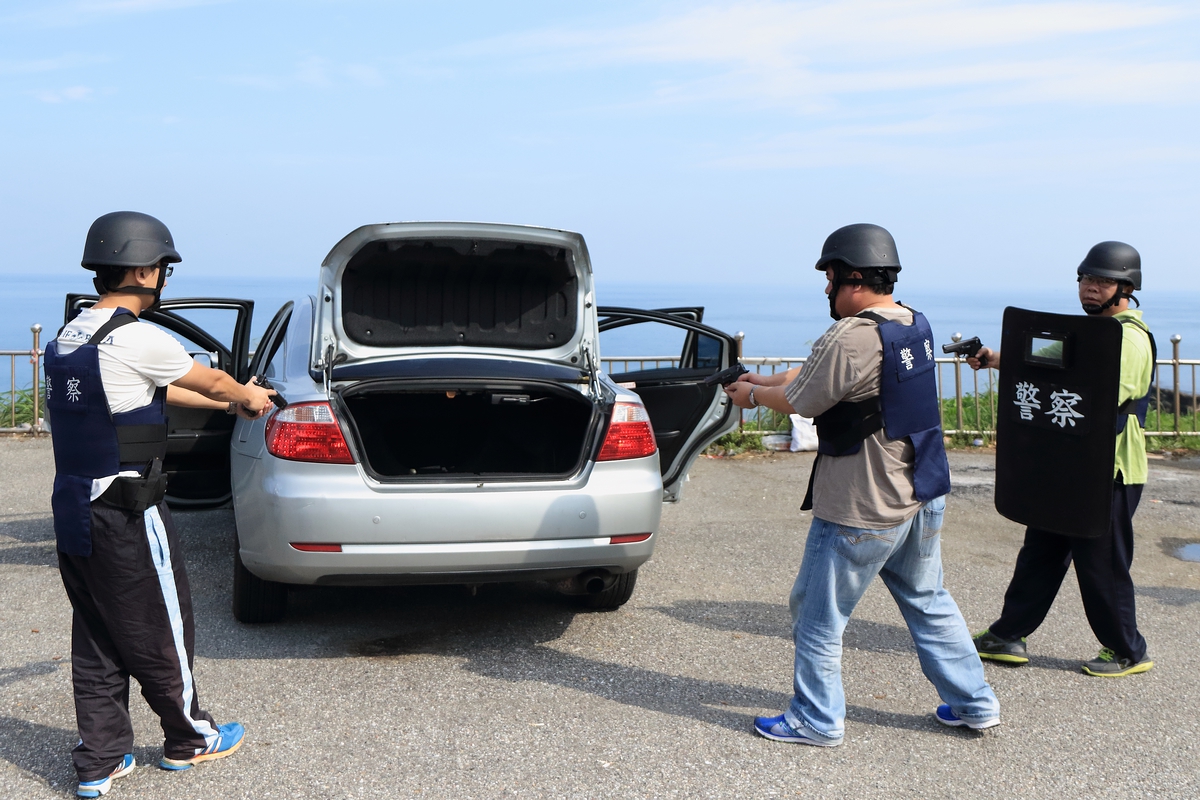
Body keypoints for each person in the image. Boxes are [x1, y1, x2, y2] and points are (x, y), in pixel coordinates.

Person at [725, 223, 999, 746]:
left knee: (817, 610)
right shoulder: (911, 323)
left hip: (864, 503)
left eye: (829, 276)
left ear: (851, 276)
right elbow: (820, 376)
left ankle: (816, 719)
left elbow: (806, 399)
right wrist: (764, 380)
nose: (826, 287)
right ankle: (975, 704)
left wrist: (752, 397)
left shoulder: (851, 333)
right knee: (929, 599)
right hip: (920, 491)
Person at [44, 211, 275, 798]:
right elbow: (213, 382)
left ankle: (100, 758)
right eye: (163, 268)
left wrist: (229, 407)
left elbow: (149, 387)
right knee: (160, 624)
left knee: (96, 630)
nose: (163, 277)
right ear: (146, 269)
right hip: (126, 505)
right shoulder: (139, 334)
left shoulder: (72, 334)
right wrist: (244, 396)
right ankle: (190, 737)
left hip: (74, 503)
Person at [968, 241, 1155, 677]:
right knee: (1041, 552)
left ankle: (1129, 650)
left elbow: (1102, 389)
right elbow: (1054, 360)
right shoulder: (1093, 333)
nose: (1090, 288)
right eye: (1086, 279)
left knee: (1102, 562)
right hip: (1069, 464)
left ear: (1126, 287)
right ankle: (1007, 635)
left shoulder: (1128, 337)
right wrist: (999, 359)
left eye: (1102, 280)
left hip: (1110, 469)